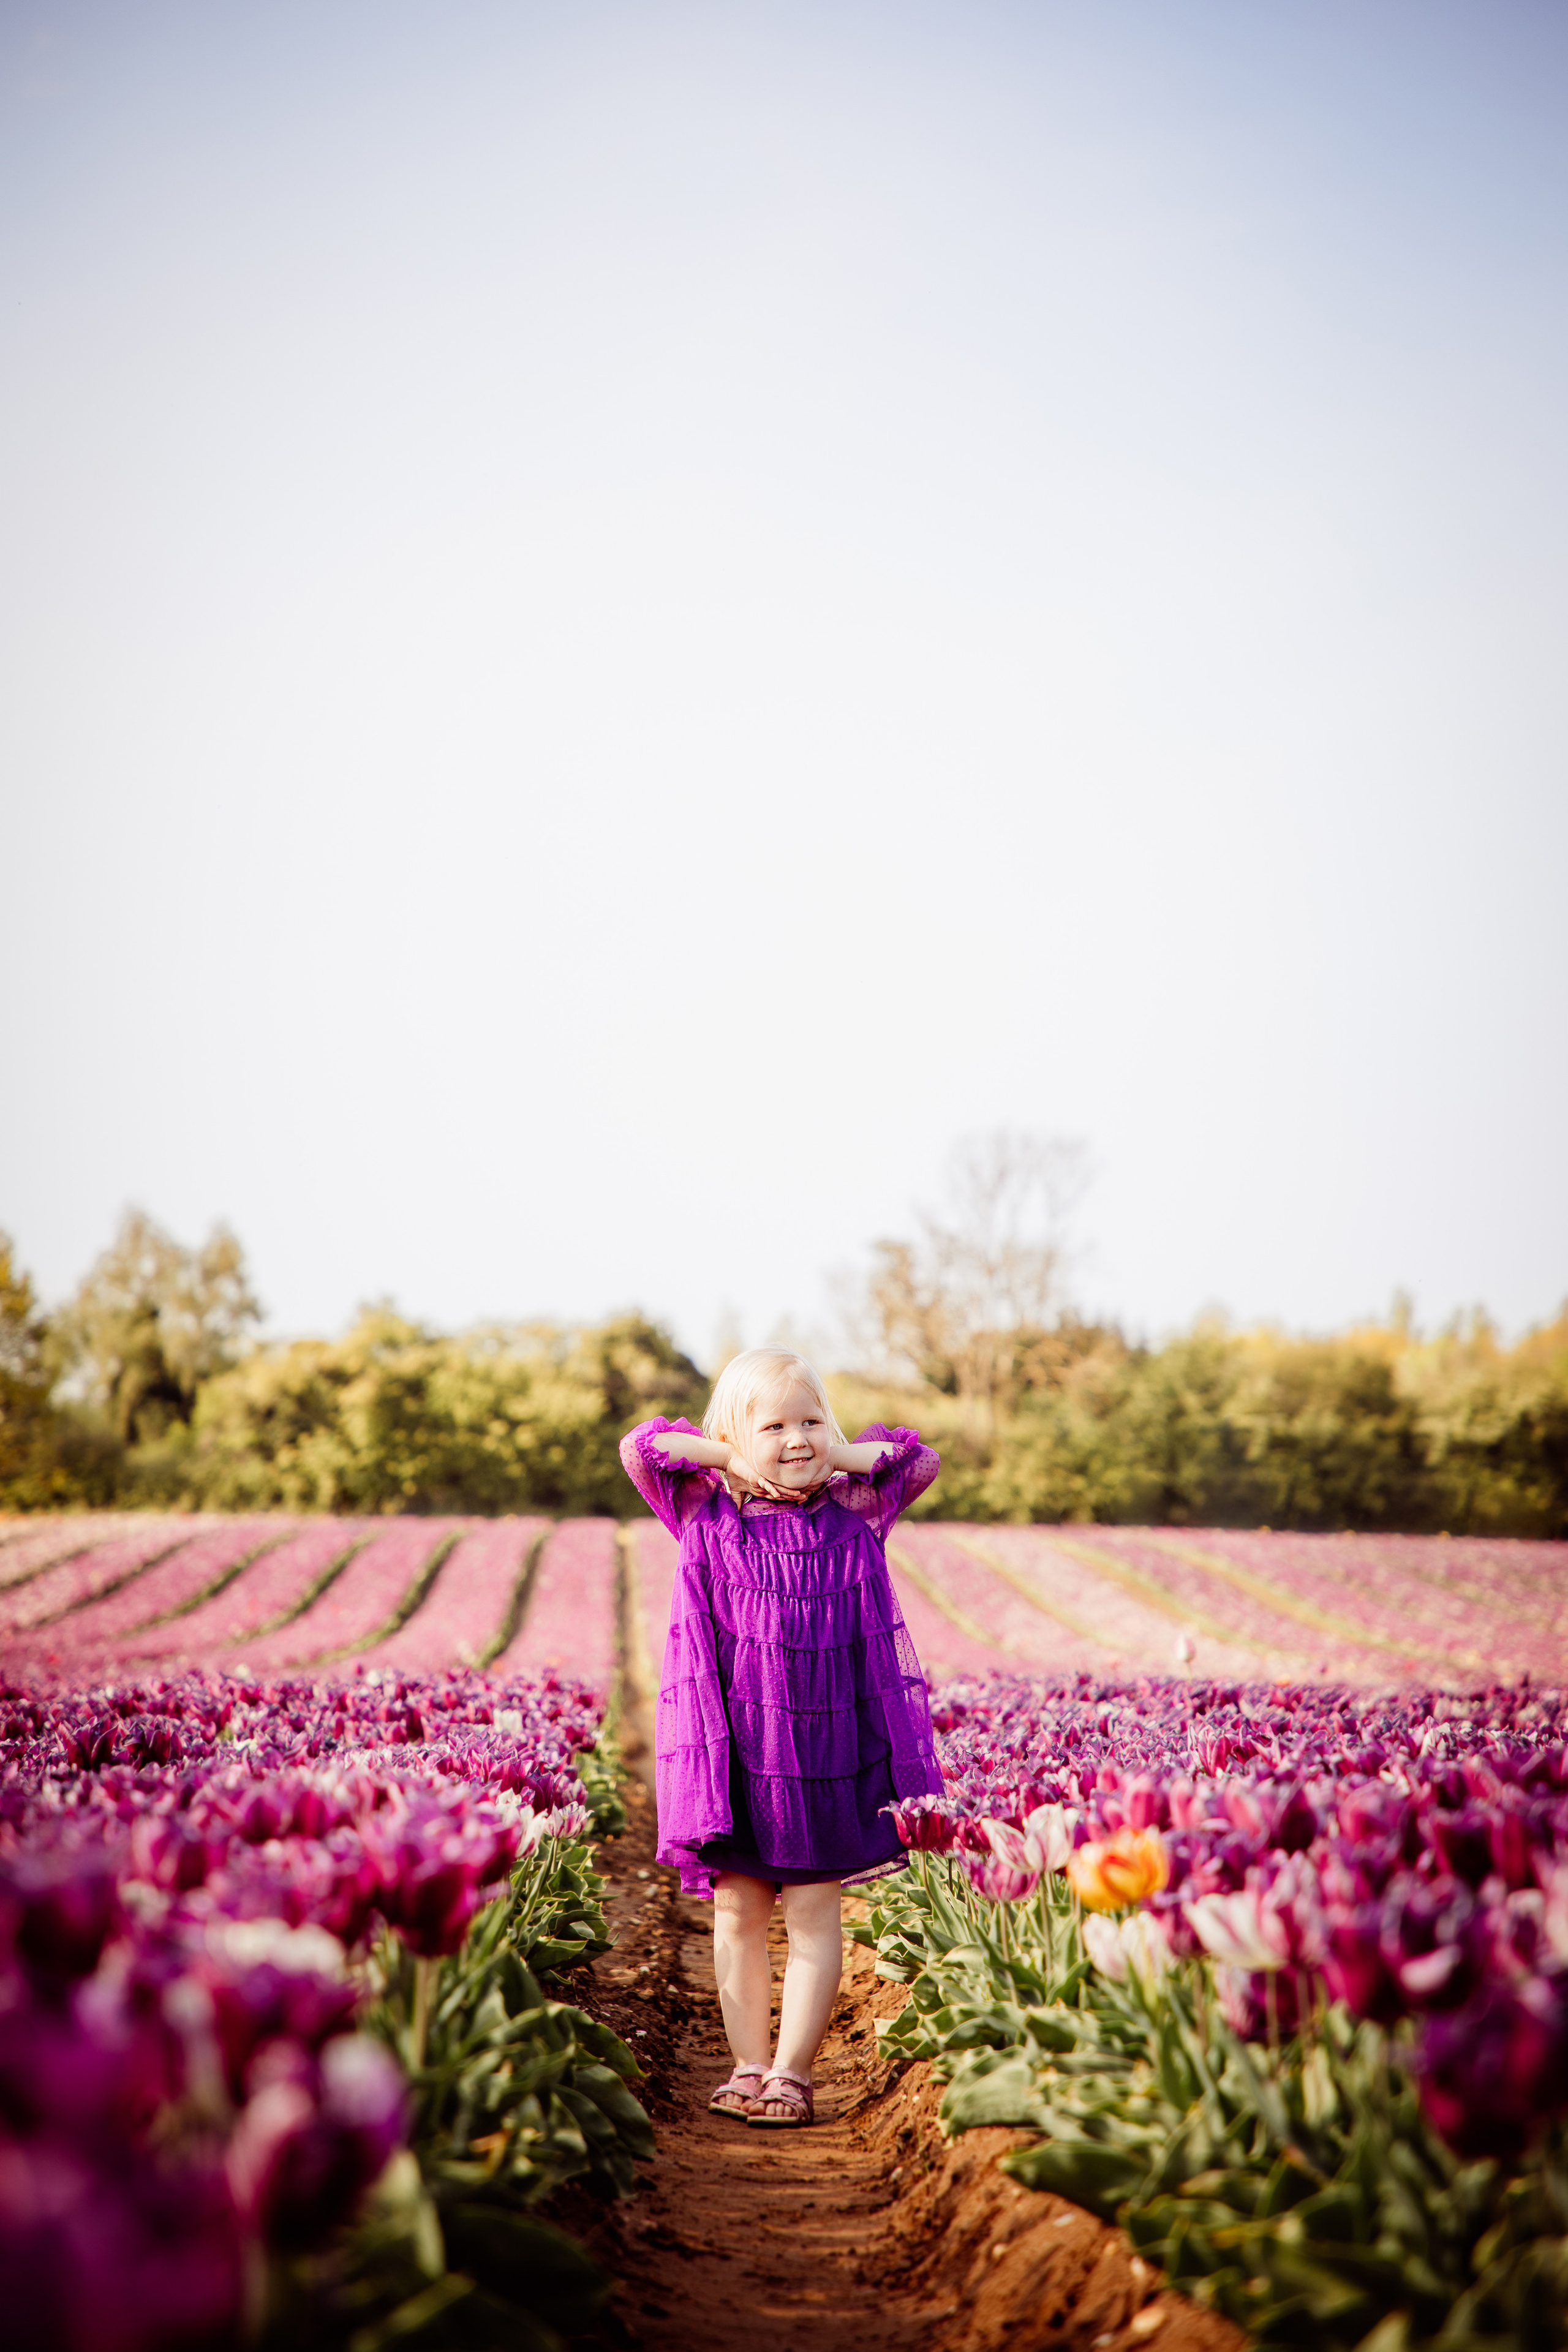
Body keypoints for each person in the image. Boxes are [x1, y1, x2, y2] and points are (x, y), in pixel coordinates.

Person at [619, 1346, 942, 2127]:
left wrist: (836, 1451)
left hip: (831, 1758)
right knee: (736, 1917)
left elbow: (914, 1460)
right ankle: (747, 2065)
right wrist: (731, 1453)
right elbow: (642, 1449)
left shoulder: (856, 1515)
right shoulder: (705, 1515)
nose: (799, 1439)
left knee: (813, 1918)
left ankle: (792, 2074)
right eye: (777, 1425)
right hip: (737, 1753)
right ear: (733, 1435)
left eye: (811, 1421)